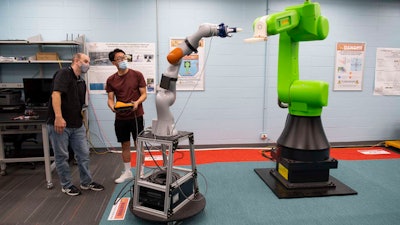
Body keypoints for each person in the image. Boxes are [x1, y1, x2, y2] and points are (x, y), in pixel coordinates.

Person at [47, 53, 104, 196]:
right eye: (85, 61)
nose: (87, 64)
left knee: (83, 154)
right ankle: (66, 185)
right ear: (76, 61)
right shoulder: (63, 74)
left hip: (76, 124)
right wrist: (58, 117)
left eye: (88, 62)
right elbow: (56, 94)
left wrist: (82, 121)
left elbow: (78, 104)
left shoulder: (81, 81)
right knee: (62, 156)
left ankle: (86, 182)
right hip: (60, 124)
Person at [106, 48, 147, 183]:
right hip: (121, 118)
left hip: (136, 115)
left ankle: (141, 171)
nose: (123, 60)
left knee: (138, 144)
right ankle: (128, 172)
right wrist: (111, 106)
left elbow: (144, 94)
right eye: (119, 59)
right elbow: (111, 99)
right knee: (125, 145)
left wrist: (137, 102)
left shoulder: (137, 75)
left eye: (124, 57)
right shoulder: (111, 80)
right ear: (114, 63)